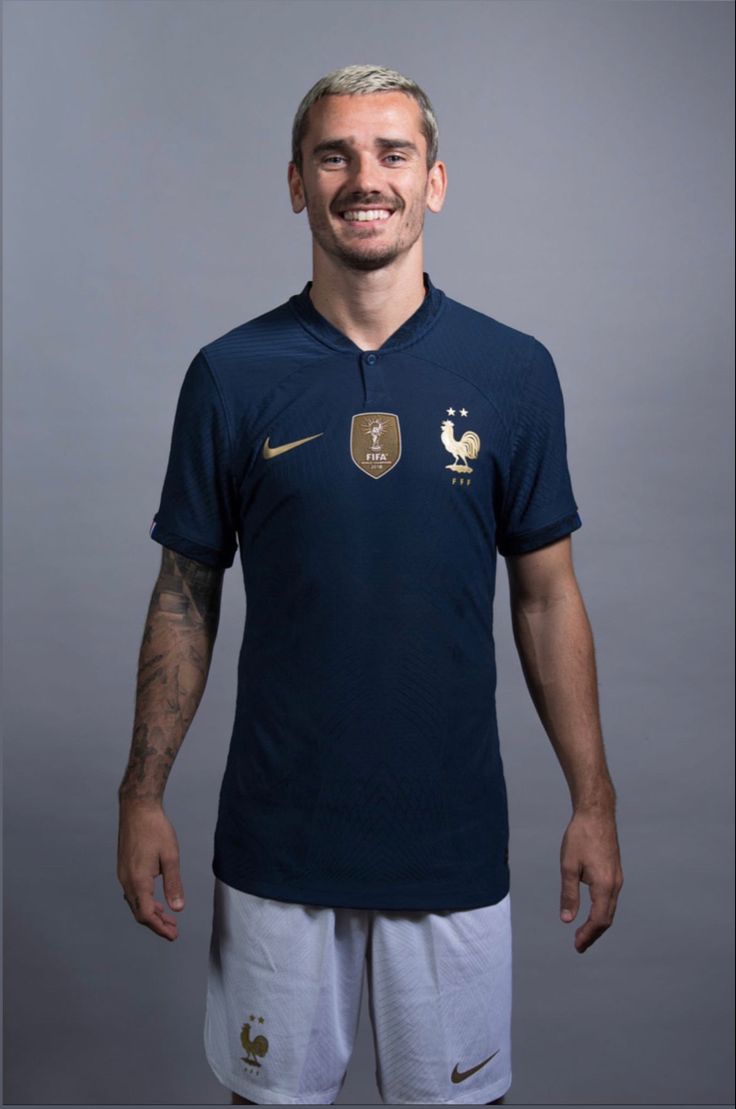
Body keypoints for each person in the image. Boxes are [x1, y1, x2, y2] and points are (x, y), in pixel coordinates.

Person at [117, 63, 623, 1106]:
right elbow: (184, 596)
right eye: (334, 155)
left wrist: (593, 799)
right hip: (279, 846)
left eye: (393, 153)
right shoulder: (231, 374)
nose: (365, 177)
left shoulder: (512, 371)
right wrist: (141, 794)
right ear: (295, 182)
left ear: (433, 180)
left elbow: (547, 597)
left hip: (450, 847)